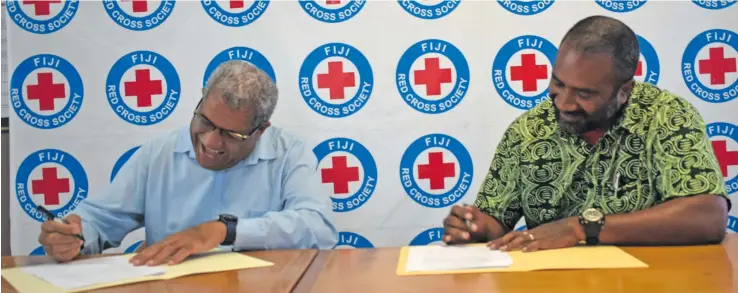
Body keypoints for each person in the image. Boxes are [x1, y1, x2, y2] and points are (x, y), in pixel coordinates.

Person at [443, 15, 731, 252]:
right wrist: (475, 228)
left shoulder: (667, 117)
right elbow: (495, 220)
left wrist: (581, 227)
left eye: (584, 93)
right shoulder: (527, 132)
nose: (564, 103)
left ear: (624, 91)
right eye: (558, 82)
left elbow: (708, 216)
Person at [38, 60, 339, 265]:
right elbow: (99, 222)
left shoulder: (288, 154)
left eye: (231, 135)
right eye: (205, 122)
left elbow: (319, 228)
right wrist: (74, 236)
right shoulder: (158, 154)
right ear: (199, 102)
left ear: (261, 130)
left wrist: (225, 231)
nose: (210, 142)